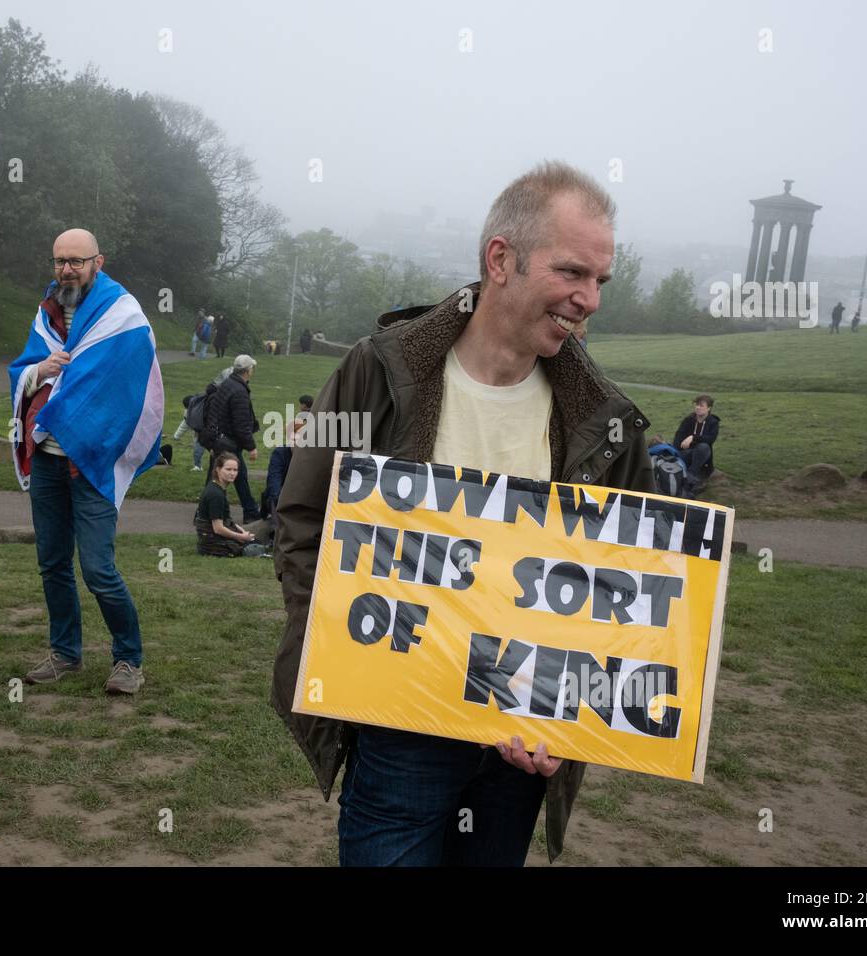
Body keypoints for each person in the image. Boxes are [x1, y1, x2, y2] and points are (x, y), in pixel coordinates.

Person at [272, 161, 656, 867]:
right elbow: (302, 517)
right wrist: (334, 645)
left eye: (601, 280)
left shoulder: (607, 421)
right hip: (399, 725)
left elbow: (626, 588)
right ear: (501, 260)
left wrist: (571, 709)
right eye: (573, 272)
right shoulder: (377, 370)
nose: (590, 299)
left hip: (523, 742)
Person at [9, 228, 162, 694]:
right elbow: (25, 370)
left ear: (99, 260)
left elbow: (134, 389)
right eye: (60, 261)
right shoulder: (47, 310)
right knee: (52, 562)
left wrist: (91, 428)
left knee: (97, 569)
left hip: (91, 463)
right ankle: (65, 653)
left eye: (76, 260)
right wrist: (41, 370)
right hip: (49, 460)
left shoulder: (124, 314)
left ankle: (128, 660)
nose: (67, 269)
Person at [200, 353, 262, 522]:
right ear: (248, 371)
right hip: (228, 443)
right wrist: (251, 447)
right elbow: (241, 425)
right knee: (232, 476)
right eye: (252, 369)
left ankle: (203, 513)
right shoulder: (239, 391)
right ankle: (249, 513)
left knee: (218, 477)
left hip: (218, 440)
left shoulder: (227, 384)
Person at [195, 452, 268, 557]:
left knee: (255, 541)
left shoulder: (217, 488)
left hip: (212, 537)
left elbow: (225, 518)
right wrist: (239, 537)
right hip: (212, 543)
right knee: (255, 548)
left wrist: (241, 531)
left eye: (235, 470)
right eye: (228, 469)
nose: (232, 473)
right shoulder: (215, 494)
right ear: (218, 469)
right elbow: (218, 528)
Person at [673, 395, 720, 496]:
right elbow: (678, 438)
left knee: (703, 447)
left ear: (709, 408)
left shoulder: (713, 422)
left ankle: (689, 478)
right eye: (697, 405)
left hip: (702, 456)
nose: (698, 407)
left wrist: (693, 438)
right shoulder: (688, 420)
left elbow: (710, 439)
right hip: (686, 453)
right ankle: (688, 481)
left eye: (701, 405)